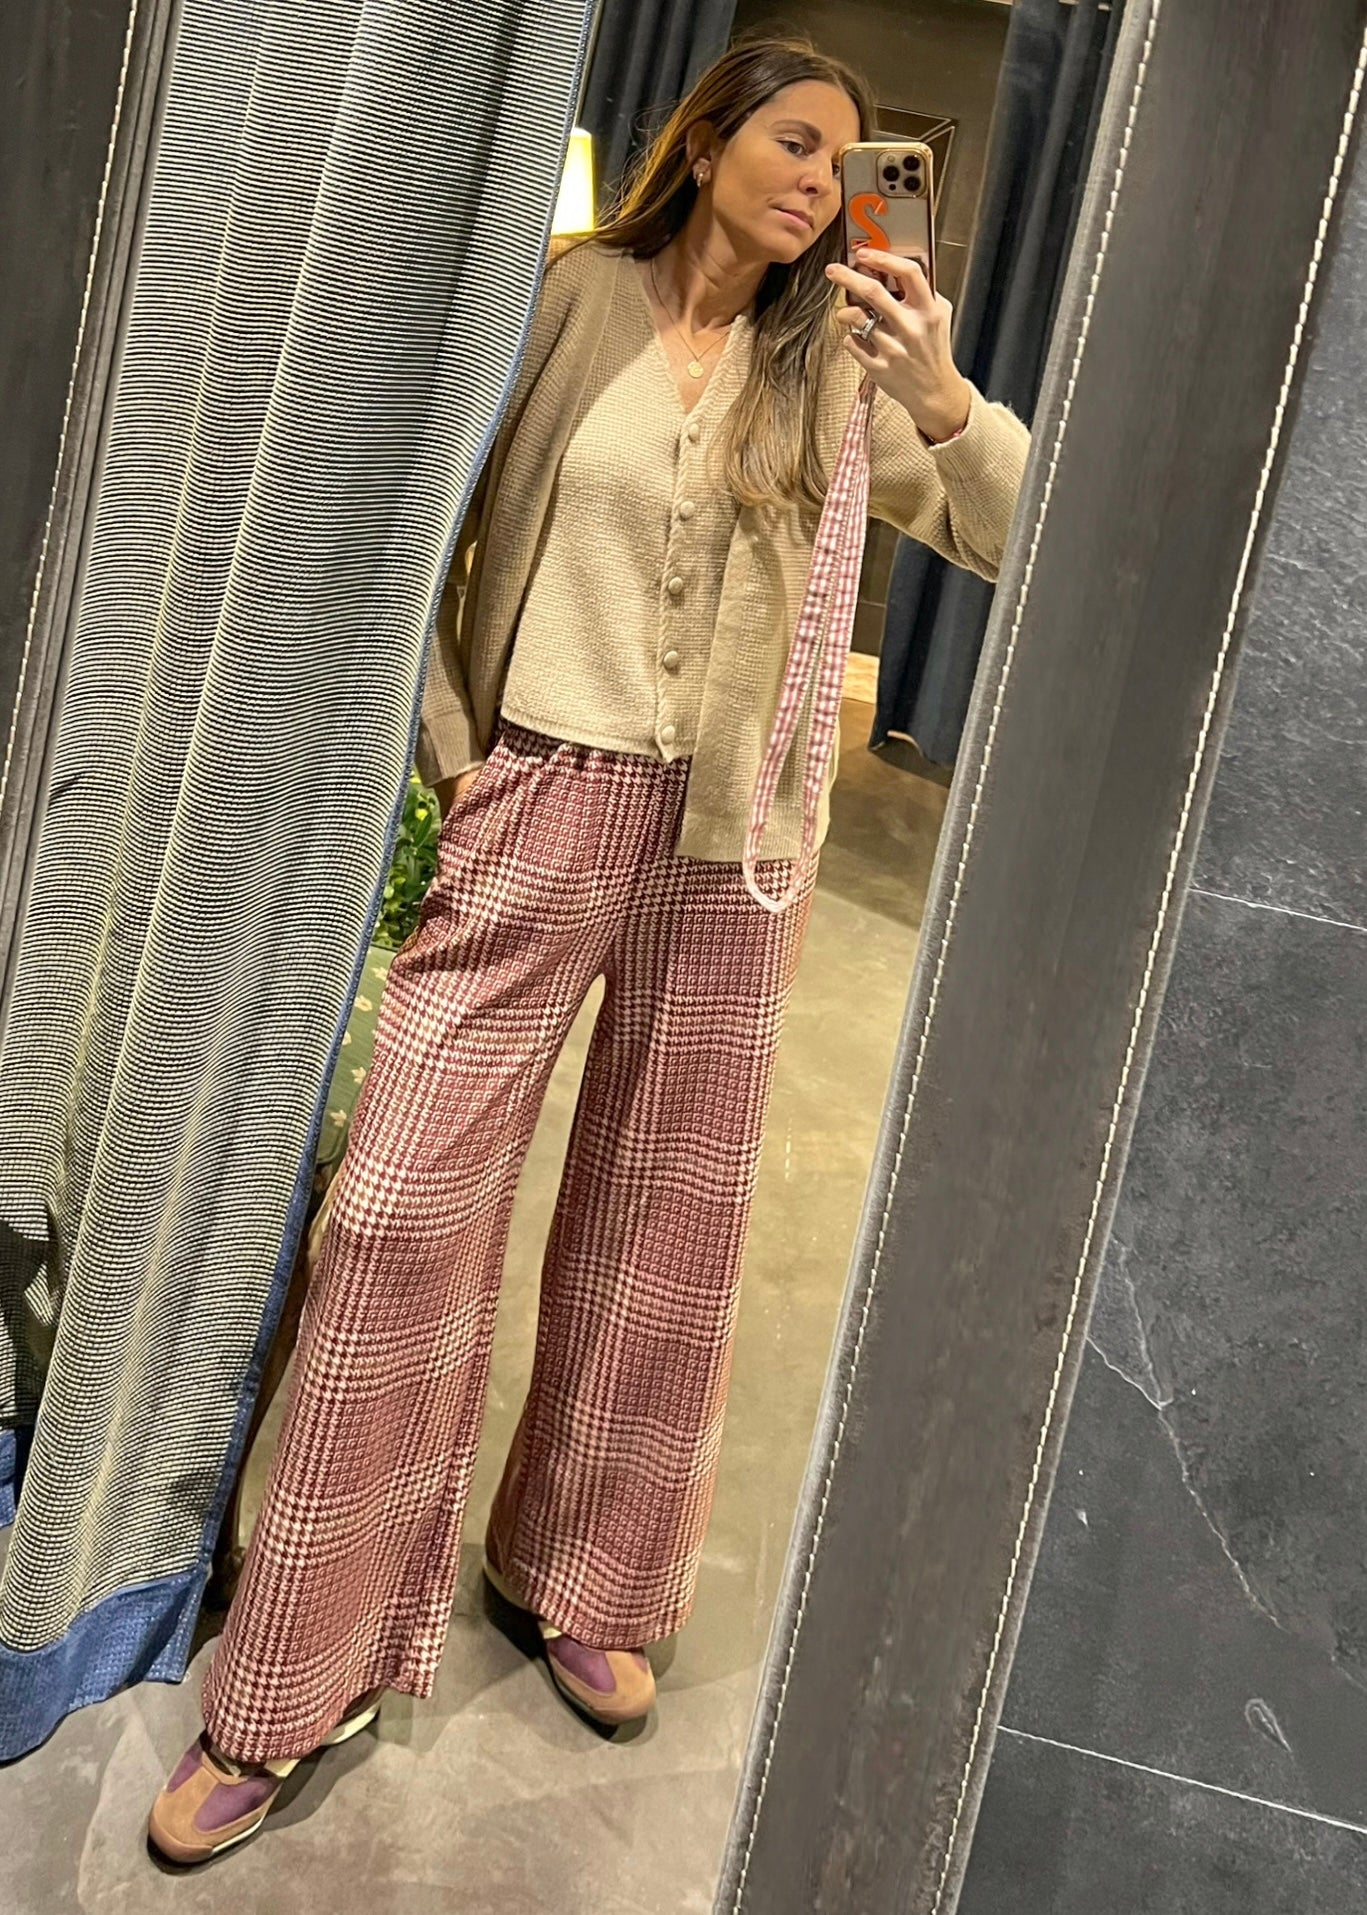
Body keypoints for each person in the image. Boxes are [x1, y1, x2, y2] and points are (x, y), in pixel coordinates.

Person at [149, 33, 1029, 1864]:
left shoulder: (838, 358)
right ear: (704, 145)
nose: (822, 180)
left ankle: (584, 1571)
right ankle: (293, 1670)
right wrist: (454, 754)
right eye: (795, 142)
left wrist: (940, 390)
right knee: (399, 1212)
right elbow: (433, 522)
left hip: (735, 847)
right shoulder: (567, 302)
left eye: (849, 159)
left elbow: (1014, 537)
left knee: (666, 1226)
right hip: (542, 794)